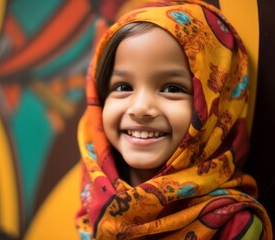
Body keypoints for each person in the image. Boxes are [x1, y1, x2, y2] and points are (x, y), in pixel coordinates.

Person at [75, 0, 273, 239]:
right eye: (123, 86)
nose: (140, 109)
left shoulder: (233, 225)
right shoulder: (95, 202)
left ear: (215, 106)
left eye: (171, 88)